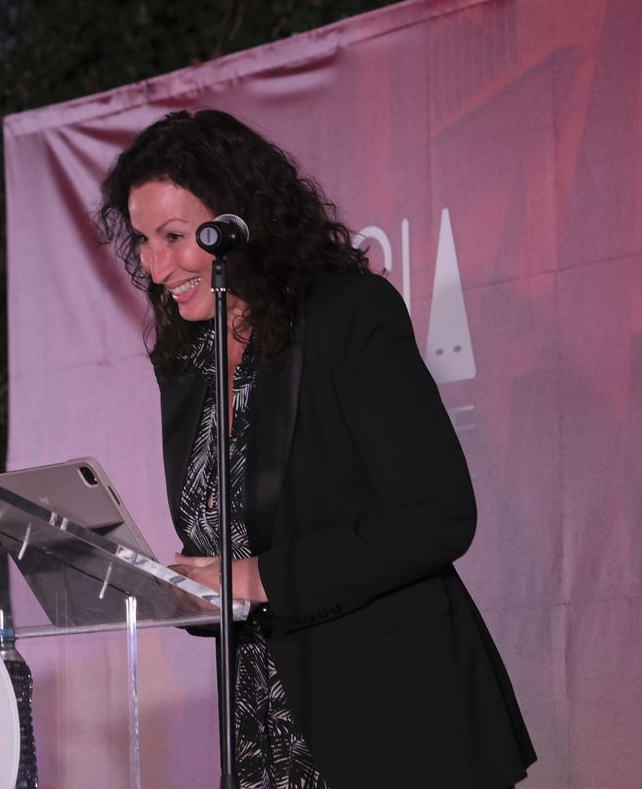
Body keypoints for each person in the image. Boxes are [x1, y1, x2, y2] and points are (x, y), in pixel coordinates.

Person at [95, 109, 536, 788]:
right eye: (144, 239)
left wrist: (255, 576)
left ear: (237, 224)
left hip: (394, 722)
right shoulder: (186, 362)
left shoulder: (349, 317)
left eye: (176, 237)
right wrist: (184, 590)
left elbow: (438, 514)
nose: (155, 266)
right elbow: (228, 546)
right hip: (260, 730)